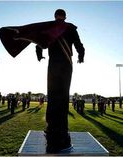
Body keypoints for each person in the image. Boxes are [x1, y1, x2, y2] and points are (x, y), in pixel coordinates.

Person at [35, 9, 85, 152]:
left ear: (55, 16)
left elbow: (39, 43)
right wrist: (81, 56)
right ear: (65, 17)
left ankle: (51, 131)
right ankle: (62, 133)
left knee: (52, 96)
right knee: (63, 97)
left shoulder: (50, 27)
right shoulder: (70, 28)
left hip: (53, 64)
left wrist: (39, 55)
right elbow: (79, 44)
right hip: (66, 64)